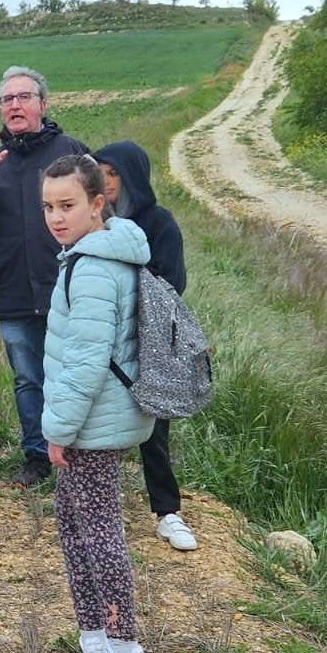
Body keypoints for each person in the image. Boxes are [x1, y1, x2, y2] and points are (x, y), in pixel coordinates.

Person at [40, 154, 156, 653]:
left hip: (92, 422)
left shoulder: (91, 268)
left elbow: (85, 362)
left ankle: (125, 651)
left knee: (99, 531)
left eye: (68, 205)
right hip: (98, 418)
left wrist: (59, 429)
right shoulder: (94, 255)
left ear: (96, 203)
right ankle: (96, 637)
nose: (56, 217)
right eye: (48, 206)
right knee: (75, 523)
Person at [0, 66, 89, 488]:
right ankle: (36, 456)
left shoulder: (71, 152)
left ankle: (80, 457)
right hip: (13, 289)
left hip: (68, 288)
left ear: (43, 104)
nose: (14, 105)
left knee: (71, 375)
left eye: (23, 97)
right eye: (7, 100)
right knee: (28, 378)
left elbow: (100, 212)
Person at [95, 140, 197, 552]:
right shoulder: (93, 223)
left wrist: (125, 291)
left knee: (154, 427)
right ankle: (97, 511)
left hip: (150, 341)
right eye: (100, 170)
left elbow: (172, 283)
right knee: (99, 425)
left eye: (114, 172)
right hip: (104, 339)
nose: (105, 179)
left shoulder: (159, 223)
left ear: (132, 175)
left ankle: (167, 511)